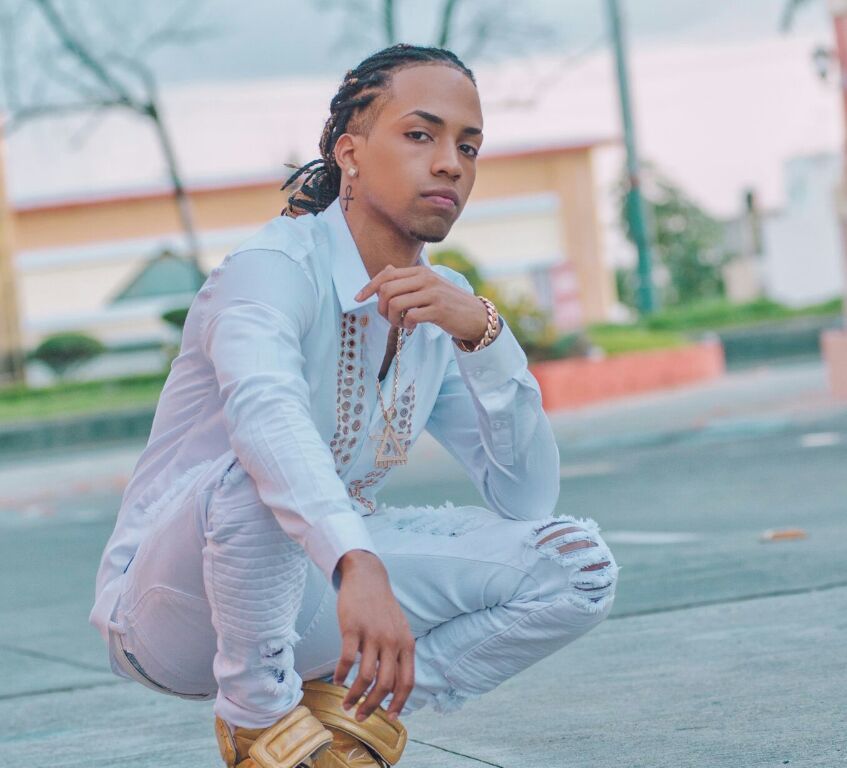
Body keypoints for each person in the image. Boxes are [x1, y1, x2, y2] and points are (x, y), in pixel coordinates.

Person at [89, 43, 620, 768]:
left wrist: (485, 338)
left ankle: (353, 713)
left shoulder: (441, 301)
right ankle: (257, 720)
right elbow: (266, 419)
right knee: (257, 475)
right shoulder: (270, 272)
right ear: (350, 152)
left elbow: (526, 498)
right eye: (420, 134)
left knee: (576, 566)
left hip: (316, 593)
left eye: (468, 146)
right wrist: (357, 561)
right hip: (172, 612)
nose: (450, 164)